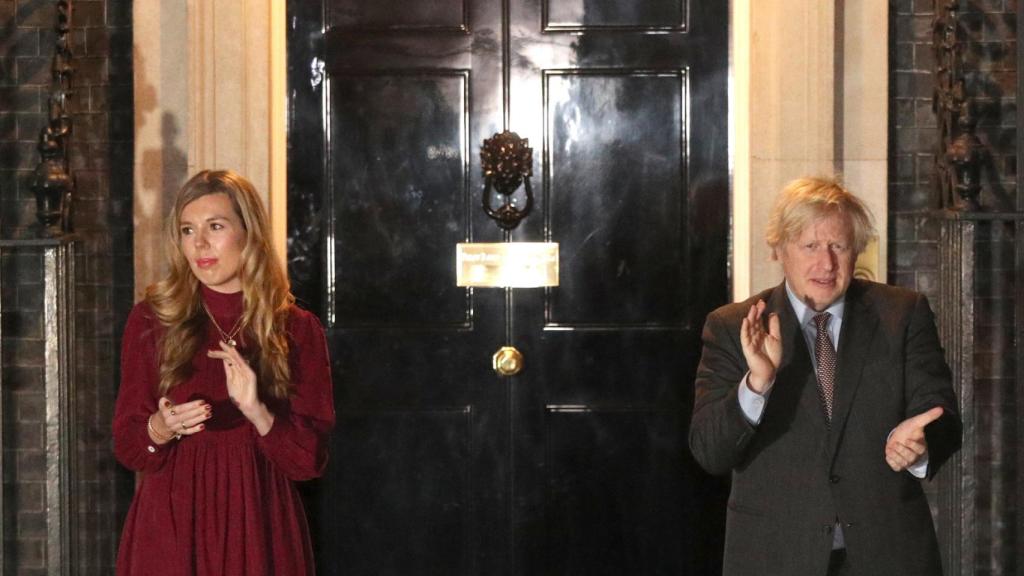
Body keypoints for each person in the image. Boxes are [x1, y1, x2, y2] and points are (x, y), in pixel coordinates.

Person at [689, 176, 962, 576]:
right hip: (775, 557)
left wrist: (921, 446)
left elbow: (942, 417)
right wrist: (756, 385)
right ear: (779, 249)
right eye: (811, 246)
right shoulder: (735, 326)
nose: (826, 263)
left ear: (856, 252)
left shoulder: (902, 314)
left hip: (888, 554)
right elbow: (710, 451)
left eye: (839, 246)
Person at [113, 170, 335, 575]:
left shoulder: (297, 328)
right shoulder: (151, 320)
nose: (199, 244)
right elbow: (128, 447)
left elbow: (307, 462)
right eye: (187, 230)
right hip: (172, 523)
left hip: (260, 521)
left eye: (215, 226)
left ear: (248, 233)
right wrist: (159, 428)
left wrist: (257, 411)